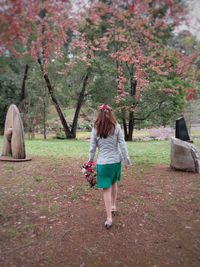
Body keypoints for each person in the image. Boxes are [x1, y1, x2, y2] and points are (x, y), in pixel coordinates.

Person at [89, 104, 131, 229]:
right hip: (115, 162)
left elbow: (92, 147)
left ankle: (109, 218)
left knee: (106, 189)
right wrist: (127, 161)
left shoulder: (96, 128)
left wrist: (90, 161)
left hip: (103, 163)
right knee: (114, 183)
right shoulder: (116, 127)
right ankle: (113, 206)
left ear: (99, 114)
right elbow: (122, 145)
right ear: (110, 113)